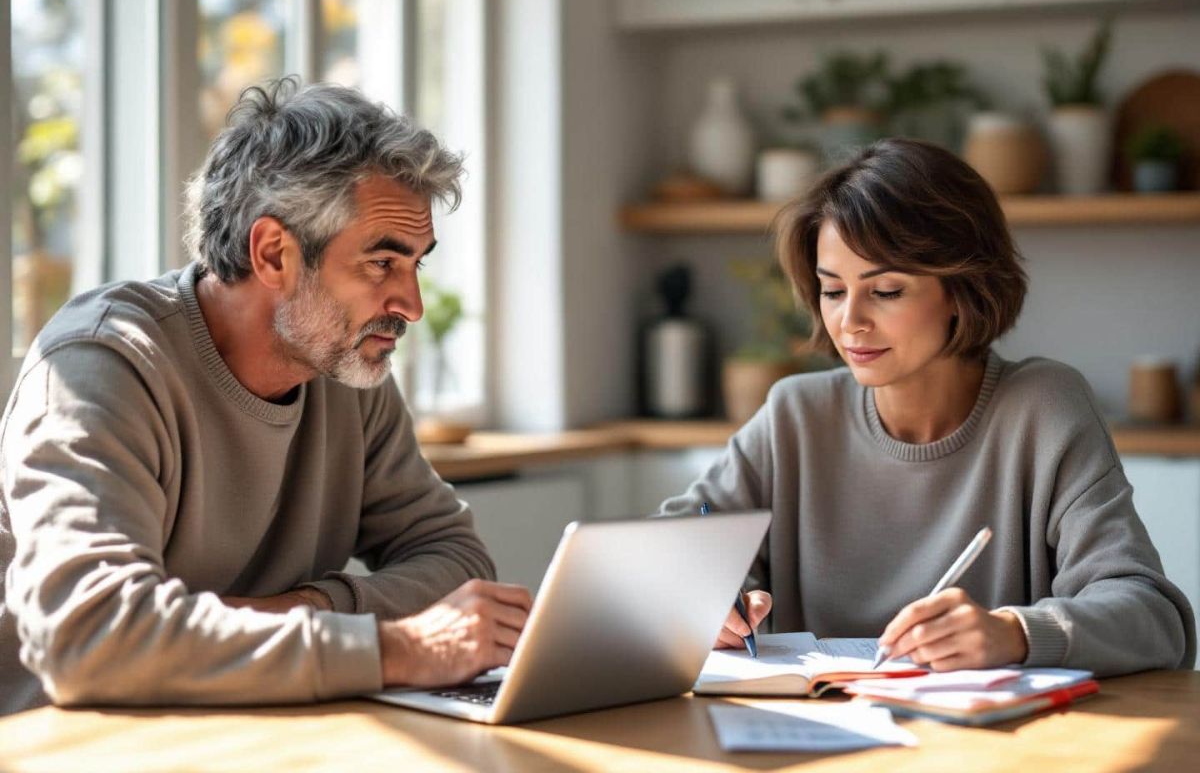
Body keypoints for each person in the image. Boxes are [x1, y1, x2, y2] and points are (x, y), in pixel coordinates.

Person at [0, 78, 531, 716]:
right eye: (381, 263)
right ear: (274, 253)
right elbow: (87, 638)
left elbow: (457, 559)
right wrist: (391, 649)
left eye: (415, 265)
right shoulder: (99, 364)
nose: (411, 306)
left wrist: (309, 610)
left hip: (250, 730)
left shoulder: (346, 370)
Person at [658, 138, 1195, 676]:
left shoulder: (1043, 408)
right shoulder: (795, 415)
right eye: (832, 290)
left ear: (963, 290)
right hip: (821, 746)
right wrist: (710, 590)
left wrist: (1016, 634)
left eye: (886, 291)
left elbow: (1154, 618)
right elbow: (676, 544)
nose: (850, 322)